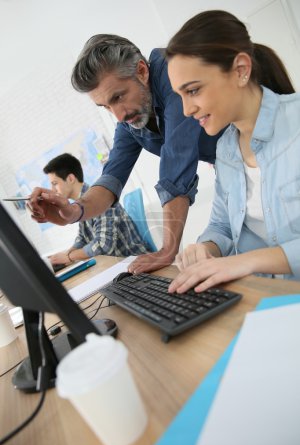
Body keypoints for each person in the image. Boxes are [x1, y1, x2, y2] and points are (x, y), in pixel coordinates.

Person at [29, 34, 223, 274]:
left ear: (142, 71)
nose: (118, 115)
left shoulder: (172, 73)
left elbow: (176, 159)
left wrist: (167, 249)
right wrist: (72, 212)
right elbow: (111, 179)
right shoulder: (129, 121)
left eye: (118, 97)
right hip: (229, 166)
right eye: (106, 107)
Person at [165, 9, 300, 295]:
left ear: (240, 70)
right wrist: (206, 249)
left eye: (193, 90)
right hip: (262, 296)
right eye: (180, 96)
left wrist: (243, 263)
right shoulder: (226, 148)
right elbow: (221, 224)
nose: (187, 110)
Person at [43, 153, 149, 265]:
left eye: (55, 183)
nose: (52, 189)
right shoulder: (79, 204)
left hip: (134, 263)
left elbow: (103, 245)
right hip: (117, 264)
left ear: (70, 178)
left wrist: (69, 257)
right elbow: (83, 237)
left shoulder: (99, 198)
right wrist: (67, 254)